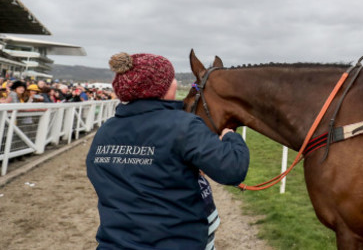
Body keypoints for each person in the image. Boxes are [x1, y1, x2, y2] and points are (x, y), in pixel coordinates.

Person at [86, 52, 250, 249]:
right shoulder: (183, 125)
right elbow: (232, 170)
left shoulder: (106, 130)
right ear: (162, 87)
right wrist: (231, 137)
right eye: (172, 79)